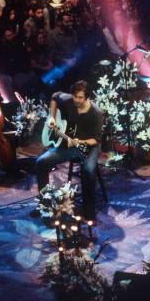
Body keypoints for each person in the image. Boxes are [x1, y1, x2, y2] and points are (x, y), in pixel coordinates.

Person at [35, 80, 103, 220]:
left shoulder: (96, 112)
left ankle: (89, 214)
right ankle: (45, 204)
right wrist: (52, 118)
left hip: (89, 146)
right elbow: (55, 96)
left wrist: (79, 142)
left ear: (87, 97)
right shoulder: (68, 100)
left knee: (88, 171)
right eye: (75, 97)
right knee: (40, 162)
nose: (76, 100)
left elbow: (96, 139)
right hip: (68, 141)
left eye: (80, 98)